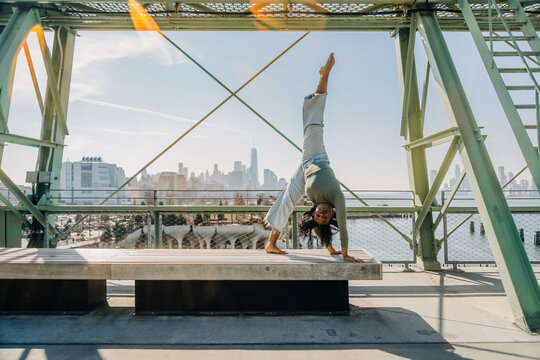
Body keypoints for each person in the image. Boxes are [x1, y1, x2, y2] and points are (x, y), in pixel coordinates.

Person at [264, 53, 362, 263]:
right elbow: (343, 226)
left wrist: (330, 249)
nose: (322, 214)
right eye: (326, 216)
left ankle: (271, 243)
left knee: (287, 201)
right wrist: (345, 254)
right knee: (314, 122)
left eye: (318, 215)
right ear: (331, 213)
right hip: (316, 156)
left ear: (315, 211)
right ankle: (324, 75)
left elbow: (319, 228)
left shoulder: (317, 203)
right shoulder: (337, 198)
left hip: (304, 168)